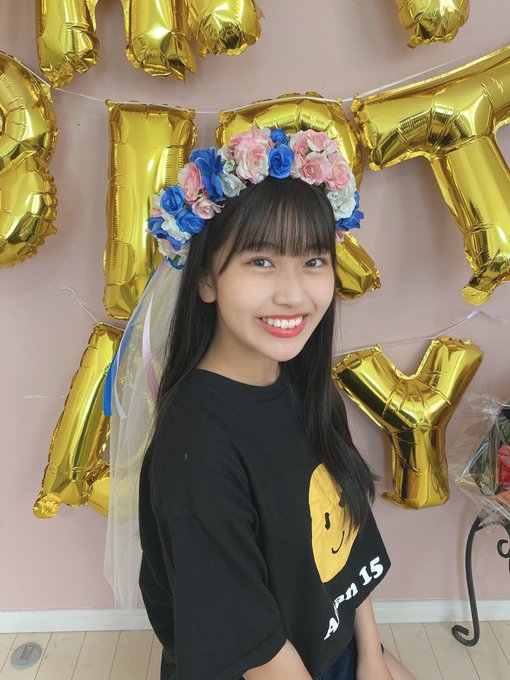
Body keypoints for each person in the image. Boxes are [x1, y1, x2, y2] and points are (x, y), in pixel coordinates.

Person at [107, 127, 416, 679]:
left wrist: (372, 656)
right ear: (207, 278)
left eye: (313, 261)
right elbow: (260, 654)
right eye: (261, 262)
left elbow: (344, 546)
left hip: (335, 650)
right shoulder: (198, 447)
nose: (294, 294)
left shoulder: (307, 389)